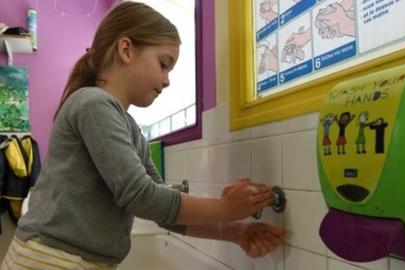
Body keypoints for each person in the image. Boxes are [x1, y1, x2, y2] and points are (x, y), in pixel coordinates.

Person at [0, 2, 284, 269]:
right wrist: (223, 208)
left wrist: (236, 231)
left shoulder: (128, 127)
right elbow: (142, 196)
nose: (168, 80)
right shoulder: (93, 103)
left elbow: (159, 209)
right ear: (126, 49)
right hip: (49, 259)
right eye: (163, 63)